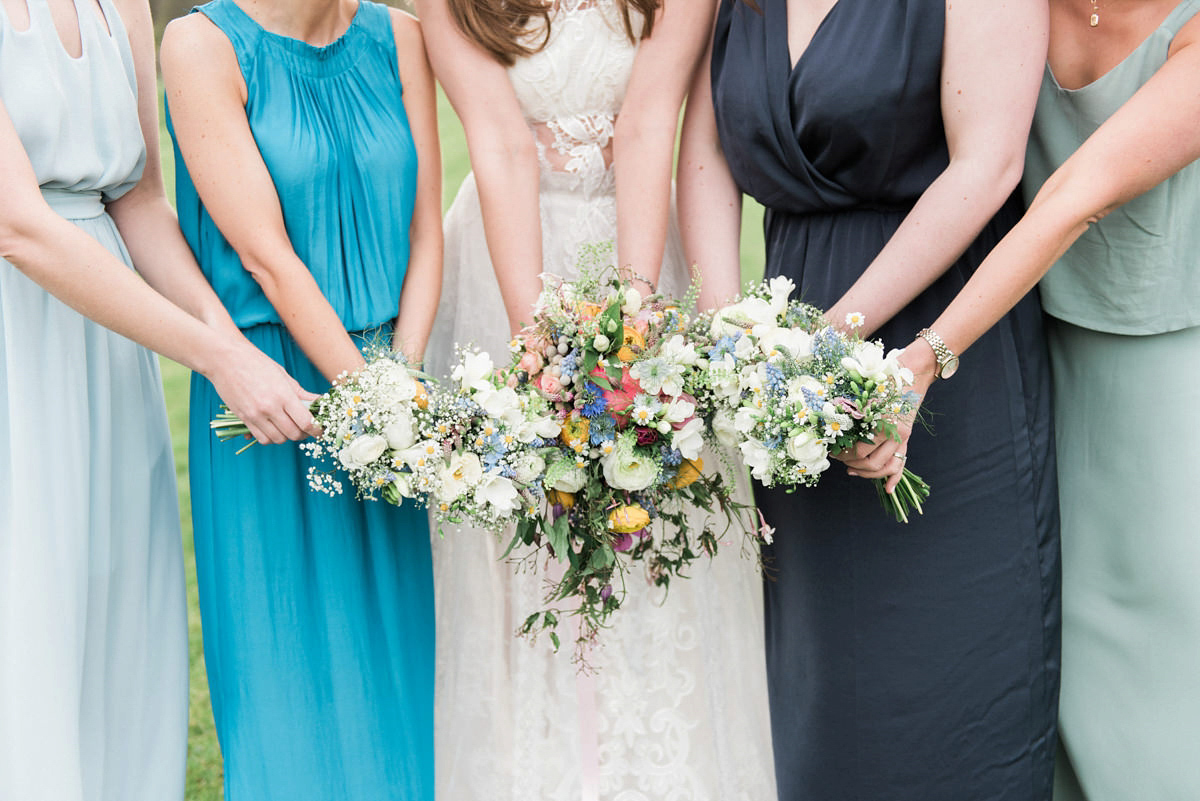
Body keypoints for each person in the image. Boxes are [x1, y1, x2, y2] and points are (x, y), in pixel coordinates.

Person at [679, 0, 1061, 798]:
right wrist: (734, 347)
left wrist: (821, 344)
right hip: (786, 375)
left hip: (945, 341)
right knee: (823, 700)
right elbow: (709, 147)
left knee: (949, 684)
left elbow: (987, 166)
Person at [419, 0, 776, 798]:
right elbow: (501, 144)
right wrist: (536, 355)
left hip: (639, 239)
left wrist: (631, 326)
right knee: (523, 531)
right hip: (507, 262)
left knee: (661, 505)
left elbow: (652, 118)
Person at [0, 0, 316, 795]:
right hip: (18, 340)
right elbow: (18, 227)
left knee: (120, 613)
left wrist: (233, 350)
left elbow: (138, 201)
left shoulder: (123, 6)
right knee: (30, 613)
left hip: (109, 341)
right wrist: (214, 354)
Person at [888, 1, 1200, 797]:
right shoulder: (1018, 9)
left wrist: (927, 355)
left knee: (1161, 674)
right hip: (1032, 372)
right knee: (1046, 666)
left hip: (1168, 395)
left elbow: (1074, 197)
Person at [160, 0, 442, 796]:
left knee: (412, 674)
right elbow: (265, 256)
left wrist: (404, 387)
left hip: (398, 388)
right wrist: (374, 404)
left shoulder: (401, 36)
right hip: (276, 403)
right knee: (295, 685)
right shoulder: (201, 45)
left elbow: (428, 231)